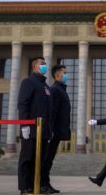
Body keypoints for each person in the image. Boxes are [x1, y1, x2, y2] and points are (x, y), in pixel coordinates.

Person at [18, 57, 53, 195]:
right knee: (27, 158)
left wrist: (50, 130)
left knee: (39, 160)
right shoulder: (28, 82)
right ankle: (25, 187)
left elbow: (49, 111)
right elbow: (22, 104)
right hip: (31, 129)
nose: (44, 66)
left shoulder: (46, 87)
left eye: (45, 64)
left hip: (43, 131)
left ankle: (35, 186)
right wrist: (24, 125)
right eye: (42, 64)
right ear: (34, 67)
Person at [42, 64, 72, 194]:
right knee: (47, 158)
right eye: (64, 73)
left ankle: (46, 183)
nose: (66, 75)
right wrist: (50, 130)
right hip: (53, 132)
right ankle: (43, 184)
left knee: (49, 159)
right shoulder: (55, 90)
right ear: (58, 75)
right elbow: (51, 112)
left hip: (57, 131)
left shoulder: (61, 90)